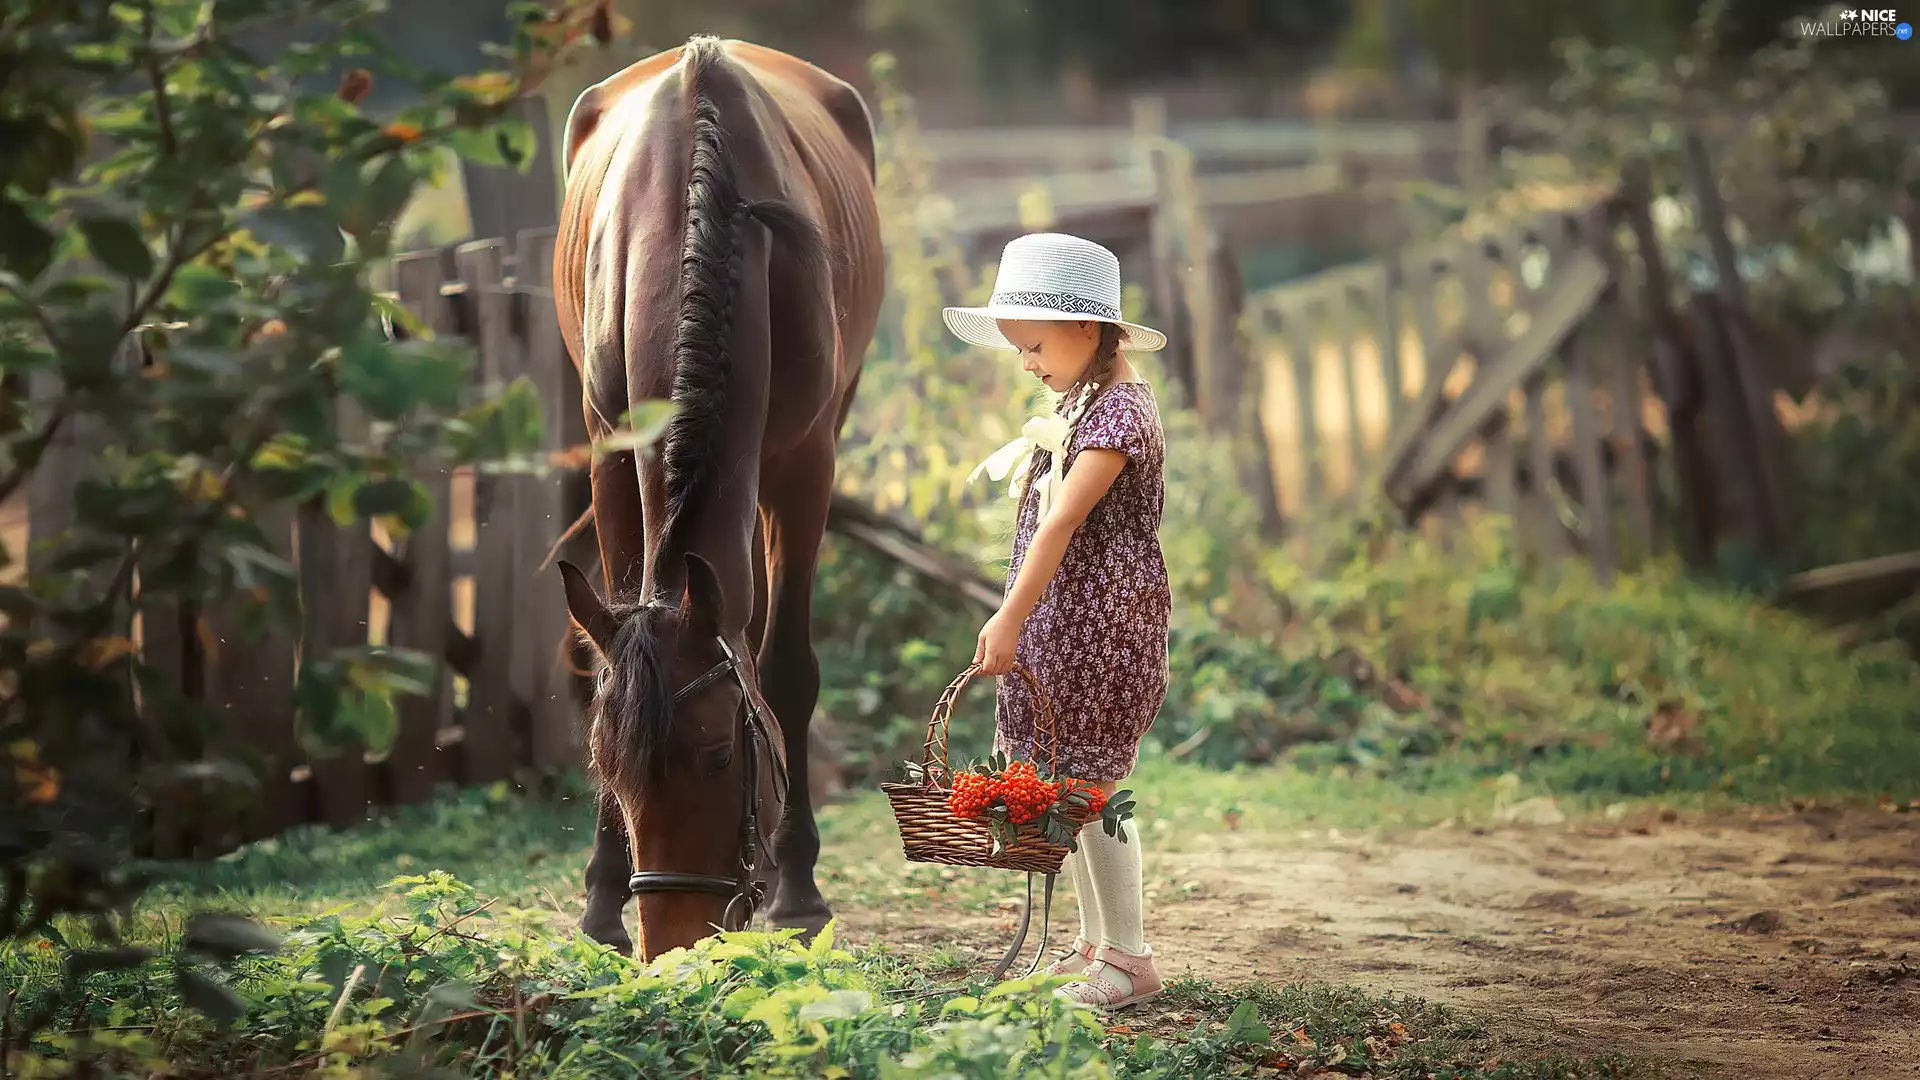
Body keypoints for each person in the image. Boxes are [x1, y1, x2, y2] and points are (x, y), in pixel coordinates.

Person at [944, 232, 1172, 1010]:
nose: (1026, 363)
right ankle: (1095, 946)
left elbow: (1063, 522)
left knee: (1092, 788)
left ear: (1085, 327)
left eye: (1034, 346)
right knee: (1064, 788)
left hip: (1102, 632)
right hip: (1064, 625)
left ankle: (1130, 959)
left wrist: (1008, 615)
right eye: (1018, 349)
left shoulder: (1120, 414)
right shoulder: (1083, 401)